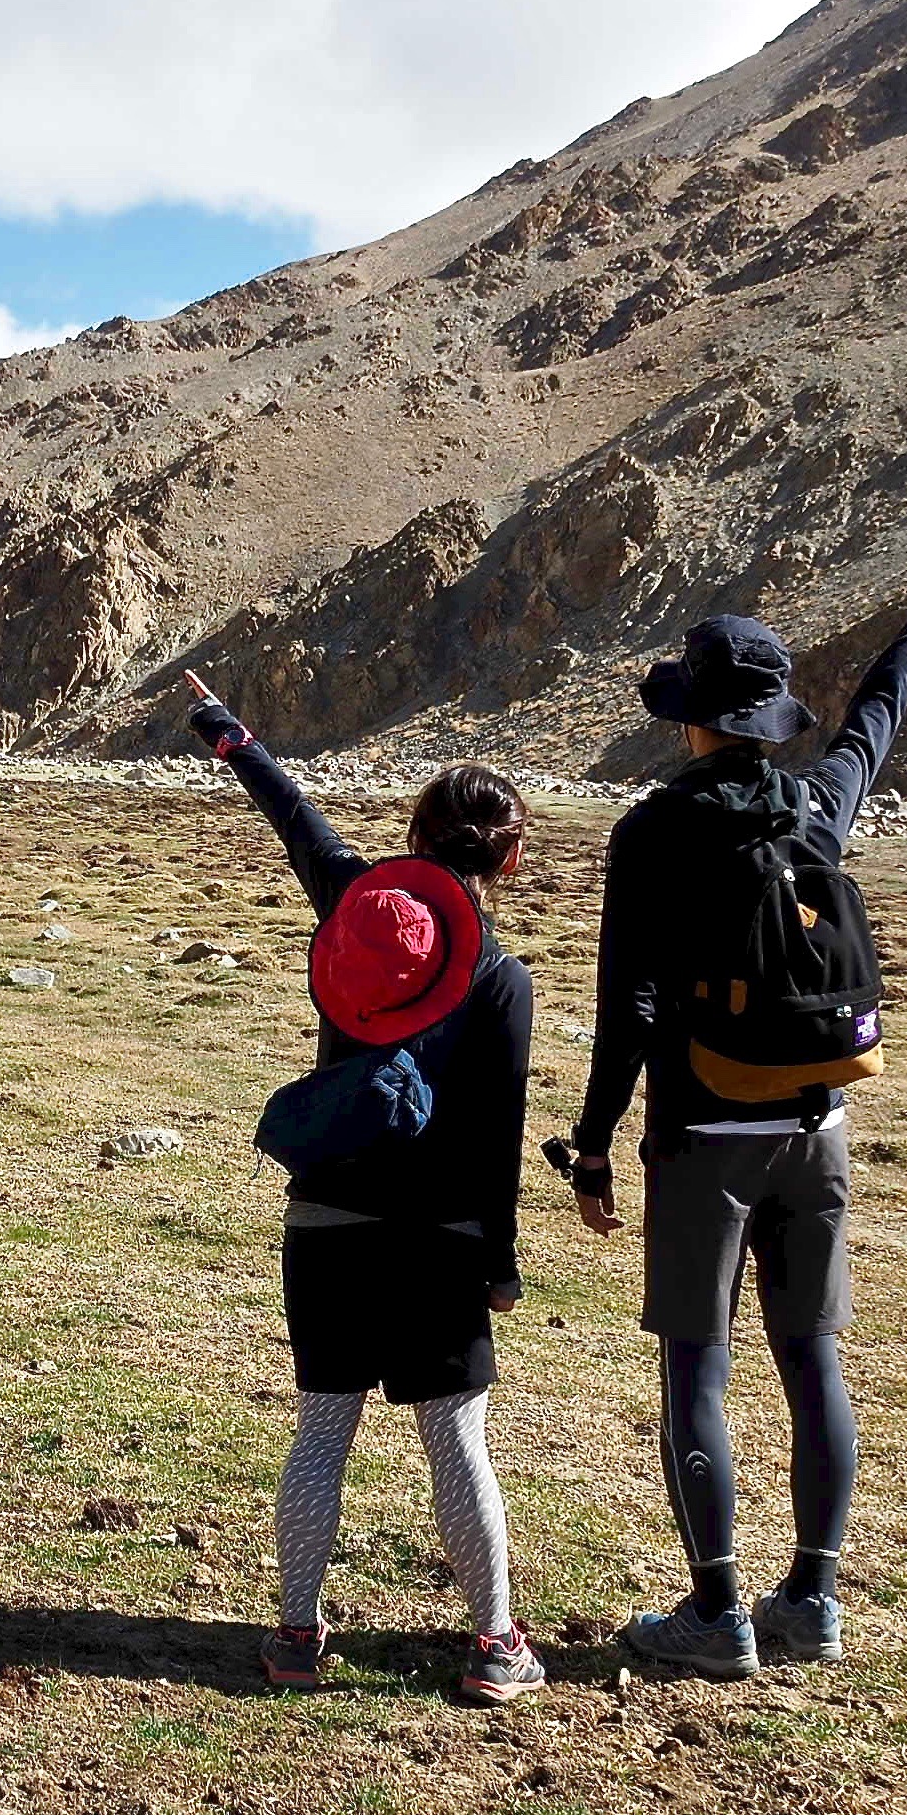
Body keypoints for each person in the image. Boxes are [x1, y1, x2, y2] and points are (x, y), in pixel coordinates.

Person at [566, 504, 907, 1679]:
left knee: (695, 1364)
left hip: (705, 1131)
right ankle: (811, 1598)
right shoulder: (820, 802)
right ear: (767, 718)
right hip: (819, 1124)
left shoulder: (654, 831)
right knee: (811, 1355)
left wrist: (596, 1142)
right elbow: (883, 697)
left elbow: (629, 1008)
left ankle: (714, 1615)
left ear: (689, 718)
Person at [183, 668, 546, 1705]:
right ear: (508, 859)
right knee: (454, 1439)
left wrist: (226, 728)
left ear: (414, 838)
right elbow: (498, 1135)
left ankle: (295, 1635)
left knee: (322, 1423)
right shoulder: (501, 976)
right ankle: (493, 1643)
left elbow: (292, 815)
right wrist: (500, 1262)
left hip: (326, 1218)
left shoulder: (353, 907)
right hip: (435, 1234)